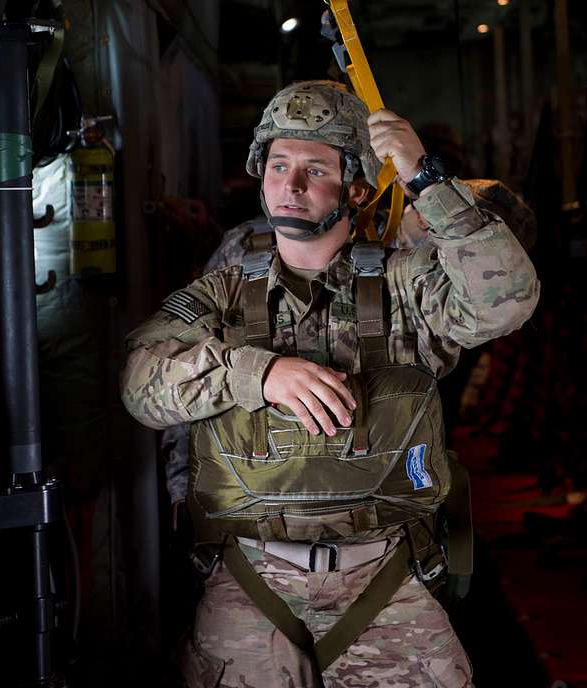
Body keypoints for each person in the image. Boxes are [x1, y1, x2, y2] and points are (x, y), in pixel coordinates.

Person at [121, 80, 539, 688]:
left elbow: (506, 302)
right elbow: (139, 384)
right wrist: (257, 373)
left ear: (358, 188)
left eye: (314, 169)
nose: (289, 185)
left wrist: (425, 179)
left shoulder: (406, 288)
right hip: (249, 579)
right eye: (278, 165)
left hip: (386, 578)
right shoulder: (221, 294)